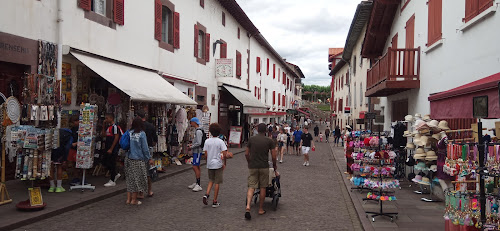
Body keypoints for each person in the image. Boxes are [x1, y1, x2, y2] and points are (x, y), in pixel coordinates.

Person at [245, 123, 277, 220]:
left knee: (251, 186)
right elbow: (274, 155)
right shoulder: (269, 141)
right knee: (263, 187)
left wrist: (249, 162)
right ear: (266, 131)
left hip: (253, 166)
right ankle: (260, 209)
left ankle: (248, 207)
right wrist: (274, 165)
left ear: (257, 129)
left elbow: (246, 153)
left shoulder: (251, 139)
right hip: (264, 166)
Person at [125, 117, 153, 205]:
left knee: (130, 179)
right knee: (138, 178)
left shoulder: (129, 133)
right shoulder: (141, 134)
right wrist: (149, 158)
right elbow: (145, 148)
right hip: (138, 159)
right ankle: (134, 200)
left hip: (129, 158)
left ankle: (128, 199)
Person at [201, 123, 228, 208]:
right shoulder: (220, 142)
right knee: (217, 182)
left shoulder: (207, 141)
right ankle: (215, 201)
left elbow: (205, 154)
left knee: (211, 180)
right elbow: (224, 153)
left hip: (210, 164)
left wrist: (207, 161)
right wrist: (224, 163)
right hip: (218, 164)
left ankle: (206, 194)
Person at [137, 110, 158, 197]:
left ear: (138, 117)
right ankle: (149, 191)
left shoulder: (138, 127)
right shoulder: (151, 126)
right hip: (149, 148)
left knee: (140, 171)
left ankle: (141, 192)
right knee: (148, 171)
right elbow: (155, 139)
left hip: (139, 150)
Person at [103, 113, 123, 187]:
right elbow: (104, 135)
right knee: (106, 162)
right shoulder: (109, 127)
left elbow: (116, 137)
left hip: (113, 148)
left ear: (111, 118)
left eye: (107, 118)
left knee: (111, 162)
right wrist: (103, 126)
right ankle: (115, 174)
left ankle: (112, 179)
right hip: (108, 147)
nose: (106, 120)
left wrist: (112, 148)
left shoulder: (115, 127)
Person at [188, 117, 204, 192]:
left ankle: (198, 184)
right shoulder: (198, 130)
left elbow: (199, 142)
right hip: (197, 150)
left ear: (194, 122)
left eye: (191, 122)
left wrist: (192, 146)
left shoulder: (198, 131)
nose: (190, 123)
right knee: (197, 166)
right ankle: (197, 182)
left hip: (197, 151)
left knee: (195, 166)